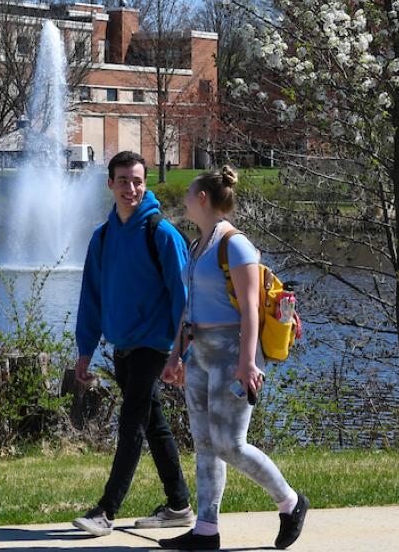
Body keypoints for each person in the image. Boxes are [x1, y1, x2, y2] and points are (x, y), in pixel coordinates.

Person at [159, 166, 309, 551]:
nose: (185, 199)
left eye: (189, 193)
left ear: (203, 199)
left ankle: (290, 502)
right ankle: (206, 531)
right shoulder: (197, 246)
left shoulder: (235, 245)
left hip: (233, 351)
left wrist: (247, 363)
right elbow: (187, 307)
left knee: (231, 444)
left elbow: (252, 310)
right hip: (200, 351)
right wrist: (176, 355)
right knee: (205, 443)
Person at [71, 150, 195, 537]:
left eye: (138, 180)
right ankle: (179, 504)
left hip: (154, 346)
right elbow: (92, 296)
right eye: (123, 180)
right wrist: (85, 350)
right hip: (121, 345)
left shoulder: (161, 232)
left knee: (131, 424)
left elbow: (184, 299)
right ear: (110, 184)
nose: (131, 188)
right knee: (154, 423)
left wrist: (181, 354)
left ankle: (105, 511)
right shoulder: (103, 236)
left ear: (147, 184)